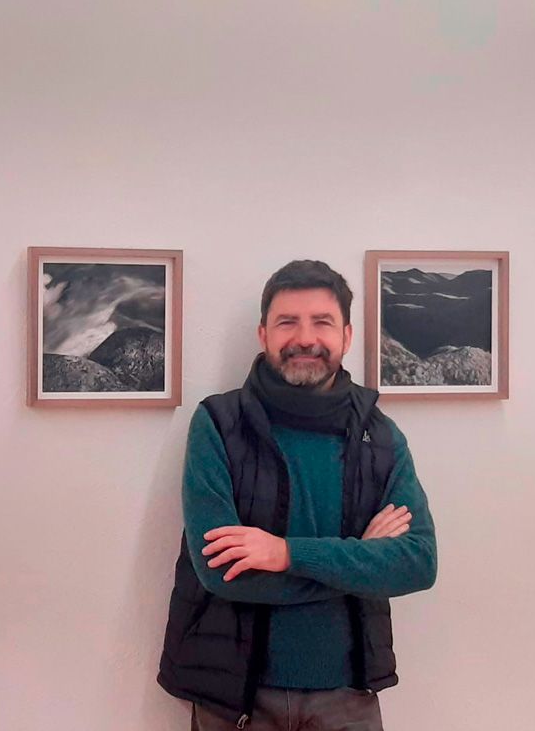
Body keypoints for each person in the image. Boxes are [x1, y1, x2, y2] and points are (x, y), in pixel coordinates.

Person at [157, 260, 437, 730]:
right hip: (234, 696)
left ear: (347, 336)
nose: (305, 337)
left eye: (322, 322)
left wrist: (286, 554)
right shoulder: (219, 425)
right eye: (288, 321)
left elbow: (417, 563)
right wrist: (361, 561)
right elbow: (221, 573)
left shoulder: (382, 438)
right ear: (263, 333)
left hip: (349, 695)